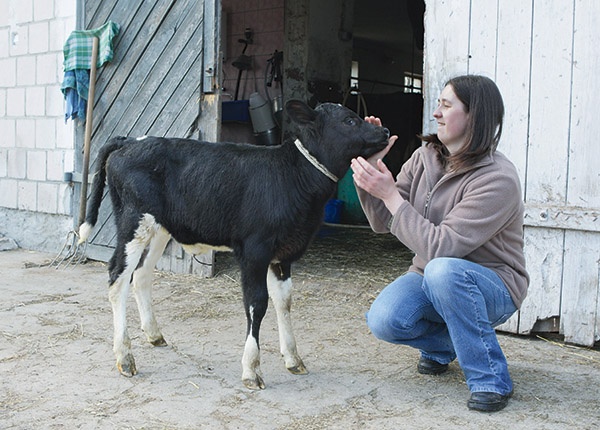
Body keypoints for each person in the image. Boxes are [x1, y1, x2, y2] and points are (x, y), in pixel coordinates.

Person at [350, 74, 529, 413]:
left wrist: (390, 194)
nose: (437, 113)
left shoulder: (497, 178)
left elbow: (441, 248)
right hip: (432, 275)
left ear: (474, 116)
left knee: (443, 270)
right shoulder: (424, 158)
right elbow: (381, 222)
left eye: (447, 105)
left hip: (493, 283)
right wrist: (371, 174)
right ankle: (447, 346)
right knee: (384, 319)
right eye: (438, 104)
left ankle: (490, 378)